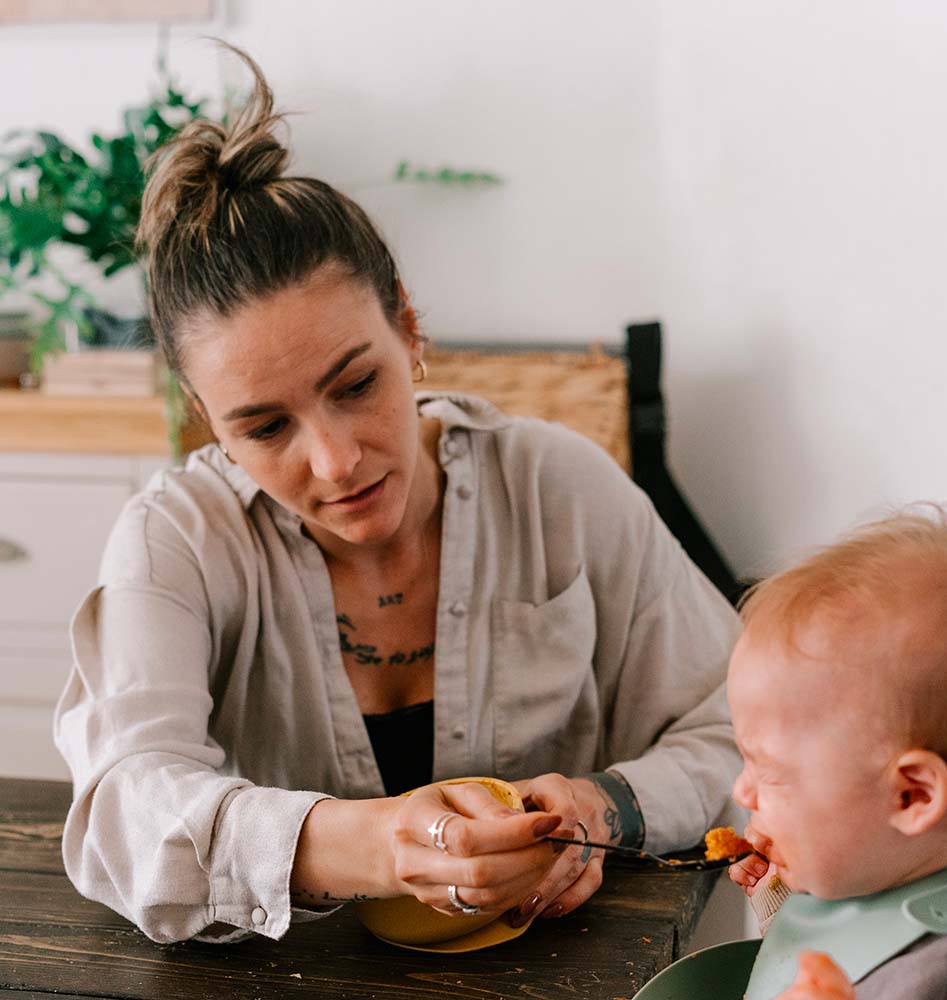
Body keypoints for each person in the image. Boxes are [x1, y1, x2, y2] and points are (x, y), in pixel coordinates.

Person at [53, 45, 741, 946]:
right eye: (265, 428)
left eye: (354, 385)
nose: (336, 462)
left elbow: (740, 729)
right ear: (204, 420)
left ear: (409, 329)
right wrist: (373, 844)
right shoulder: (174, 540)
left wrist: (609, 806)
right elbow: (125, 809)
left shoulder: (555, 483)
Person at [725, 507, 947, 999]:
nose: (741, 789)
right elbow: (856, 946)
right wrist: (786, 904)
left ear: (910, 796)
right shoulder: (886, 871)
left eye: (771, 772)